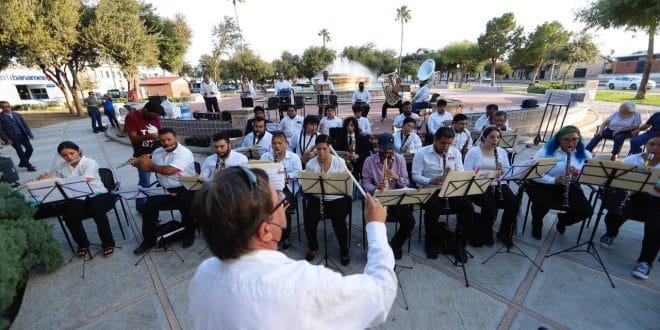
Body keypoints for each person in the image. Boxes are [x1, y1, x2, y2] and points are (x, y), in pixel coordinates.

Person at [187, 167, 395, 329]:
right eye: (280, 203)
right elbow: (381, 294)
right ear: (265, 231)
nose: (284, 203)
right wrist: (375, 225)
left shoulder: (204, 273)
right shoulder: (305, 284)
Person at [600, 136, 660, 280]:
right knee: (614, 213)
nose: (655, 148)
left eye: (659, 146)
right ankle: (611, 233)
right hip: (633, 195)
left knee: (656, 227)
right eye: (652, 144)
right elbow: (614, 177)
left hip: (656, 200)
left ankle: (645, 262)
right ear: (646, 144)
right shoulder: (633, 159)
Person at [44, 141, 116, 258]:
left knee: (97, 210)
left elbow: (84, 180)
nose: (69, 157)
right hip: (76, 196)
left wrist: (57, 179)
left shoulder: (90, 163)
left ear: (78, 150)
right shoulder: (62, 167)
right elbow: (58, 184)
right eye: (64, 155)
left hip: (96, 193)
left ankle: (108, 243)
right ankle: (82, 244)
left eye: (71, 153)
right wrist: (46, 180)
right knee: (68, 215)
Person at [132, 128, 197, 253]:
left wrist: (150, 165)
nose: (166, 143)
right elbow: (150, 169)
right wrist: (137, 163)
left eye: (169, 139)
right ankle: (148, 241)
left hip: (187, 185)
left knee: (186, 204)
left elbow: (169, 171)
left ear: (176, 138)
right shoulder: (157, 152)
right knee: (147, 207)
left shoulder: (184, 152)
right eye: (162, 140)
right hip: (165, 188)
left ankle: (189, 234)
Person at [412, 127, 474, 259]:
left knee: (468, 207)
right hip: (430, 189)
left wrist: (453, 175)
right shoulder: (422, 153)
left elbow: (461, 172)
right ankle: (430, 240)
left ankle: (459, 239)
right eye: (442, 143)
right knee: (433, 209)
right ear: (435, 140)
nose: (446, 147)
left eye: (448, 143)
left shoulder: (455, 152)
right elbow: (415, 176)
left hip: (450, 189)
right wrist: (431, 180)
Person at [528, 125, 593, 240]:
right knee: (541, 202)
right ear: (559, 139)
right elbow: (534, 174)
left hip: (570, 185)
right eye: (566, 140)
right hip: (545, 184)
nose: (571, 143)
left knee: (586, 210)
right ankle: (537, 224)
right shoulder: (545, 152)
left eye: (574, 139)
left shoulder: (585, 154)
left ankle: (563, 220)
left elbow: (589, 175)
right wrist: (554, 180)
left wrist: (577, 175)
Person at [362, 133, 415, 259]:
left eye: (390, 148)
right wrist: (376, 187)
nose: (388, 151)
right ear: (378, 146)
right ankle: (378, 250)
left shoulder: (400, 159)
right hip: (377, 199)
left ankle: (396, 244)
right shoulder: (369, 161)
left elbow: (406, 181)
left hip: (395, 198)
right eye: (385, 148)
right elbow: (365, 182)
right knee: (375, 223)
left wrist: (397, 178)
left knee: (410, 222)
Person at [463, 126, 518, 247]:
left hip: (498, 183)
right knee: (490, 205)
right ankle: (486, 232)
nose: (495, 140)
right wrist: (483, 175)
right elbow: (466, 171)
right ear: (484, 137)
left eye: (498, 137)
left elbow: (508, 170)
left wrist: (503, 170)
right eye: (492, 137)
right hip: (478, 184)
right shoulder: (474, 152)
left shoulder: (501, 152)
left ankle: (504, 232)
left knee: (514, 203)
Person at [303, 134, 352, 265]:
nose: (321, 152)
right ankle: (313, 246)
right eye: (318, 149)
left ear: (330, 148)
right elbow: (307, 187)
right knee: (309, 220)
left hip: (338, 198)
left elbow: (346, 186)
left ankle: (343, 249)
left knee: (339, 222)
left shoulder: (339, 162)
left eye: (324, 149)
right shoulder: (311, 164)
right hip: (318, 198)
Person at [261, 132, 303, 250]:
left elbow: (298, 172)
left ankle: (285, 235)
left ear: (286, 144)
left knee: (282, 205)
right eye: (274, 143)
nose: (277, 146)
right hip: (270, 187)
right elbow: (261, 172)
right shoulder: (265, 157)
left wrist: (282, 175)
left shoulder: (293, 157)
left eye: (280, 143)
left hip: (287, 187)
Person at [123, 101, 162, 211]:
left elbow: (160, 132)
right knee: (144, 182)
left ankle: (161, 202)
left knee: (163, 179)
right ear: (145, 110)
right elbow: (133, 139)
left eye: (156, 116)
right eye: (153, 115)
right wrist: (149, 136)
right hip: (142, 155)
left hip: (158, 154)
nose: (154, 118)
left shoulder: (155, 117)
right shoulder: (131, 117)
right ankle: (140, 206)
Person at [0, 101, 36, 171]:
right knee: (20, 151)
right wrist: (7, 139)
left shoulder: (16, 114)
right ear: (1, 108)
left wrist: (29, 133)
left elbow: (24, 125)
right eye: (4, 107)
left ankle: (23, 163)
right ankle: (28, 166)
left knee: (30, 149)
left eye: (8, 106)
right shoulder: (1, 117)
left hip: (22, 135)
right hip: (12, 138)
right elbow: (1, 130)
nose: (7, 108)